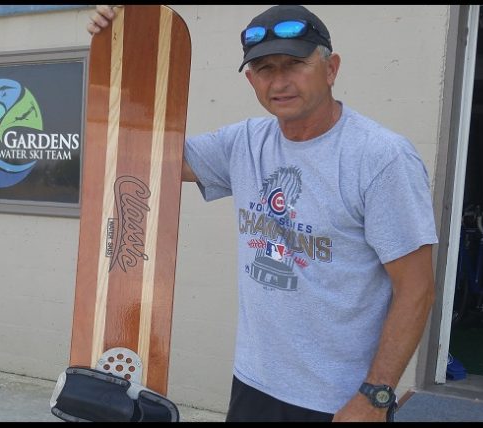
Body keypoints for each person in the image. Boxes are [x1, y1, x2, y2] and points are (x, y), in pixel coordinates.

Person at [87, 5, 437, 422]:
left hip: (340, 399)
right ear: (251, 79)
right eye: (265, 68)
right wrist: (122, 50)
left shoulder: (380, 157)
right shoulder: (246, 143)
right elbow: (141, 154)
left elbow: (416, 289)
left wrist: (376, 396)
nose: (280, 81)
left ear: (331, 68)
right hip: (254, 383)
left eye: (295, 64)